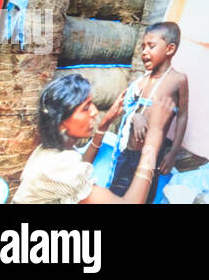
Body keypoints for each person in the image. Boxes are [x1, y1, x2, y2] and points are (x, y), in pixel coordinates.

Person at [12, 74, 163, 204]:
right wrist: (152, 145)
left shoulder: (50, 150)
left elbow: (80, 166)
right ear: (61, 123)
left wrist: (104, 126)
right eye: (85, 108)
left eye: (92, 104)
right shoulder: (59, 166)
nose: (95, 112)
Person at [107, 22, 188, 198]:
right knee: (117, 192)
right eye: (143, 46)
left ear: (169, 49)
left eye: (151, 46)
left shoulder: (178, 80)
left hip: (151, 155)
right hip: (128, 152)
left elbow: (182, 116)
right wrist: (135, 117)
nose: (144, 51)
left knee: (144, 196)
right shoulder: (142, 81)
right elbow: (129, 107)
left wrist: (173, 151)